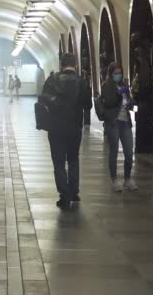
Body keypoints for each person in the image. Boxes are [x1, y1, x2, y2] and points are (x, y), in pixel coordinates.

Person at [41, 53, 93, 209]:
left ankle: (64, 195)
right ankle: (74, 192)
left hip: (55, 128)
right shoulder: (82, 82)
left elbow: (42, 99)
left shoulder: (52, 80)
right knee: (73, 160)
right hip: (74, 128)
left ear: (61, 65)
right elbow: (88, 105)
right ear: (75, 65)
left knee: (58, 162)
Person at [101, 62, 137, 192]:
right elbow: (109, 102)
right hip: (114, 122)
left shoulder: (124, 86)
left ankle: (127, 179)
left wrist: (131, 101)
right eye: (116, 73)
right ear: (111, 74)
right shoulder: (107, 86)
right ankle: (115, 179)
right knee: (114, 150)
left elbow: (130, 102)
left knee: (129, 152)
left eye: (120, 73)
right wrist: (118, 93)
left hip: (125, 121)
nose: (118, 75)